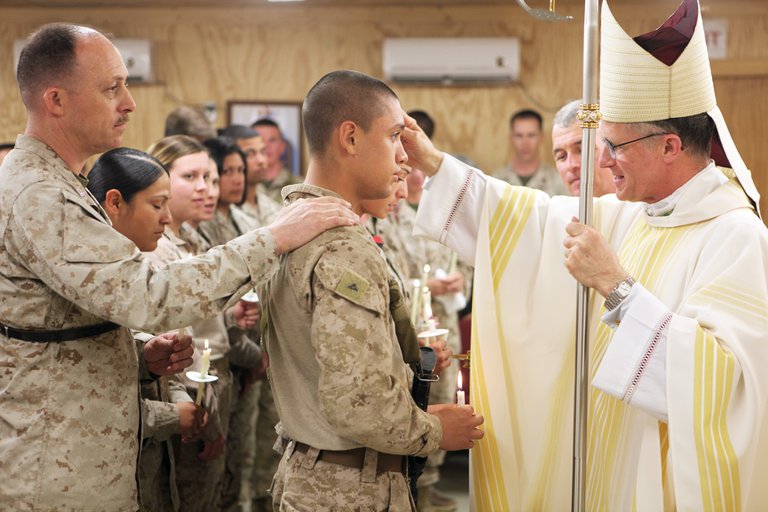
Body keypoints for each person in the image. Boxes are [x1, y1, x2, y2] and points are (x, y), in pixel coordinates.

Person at [402, 1, 768, 510]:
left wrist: (617, 287)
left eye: (615, 145)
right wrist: (437, 164)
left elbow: (729, 389)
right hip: (608, 463)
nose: (603, 161)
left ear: (668, 146)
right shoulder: (635, 213)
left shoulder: (734, 236)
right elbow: (529, 219)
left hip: (664, 483)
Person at [0, 23, 357, 511]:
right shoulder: (39, 194)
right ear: (56, 100)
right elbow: (150, 294)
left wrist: (138, 359)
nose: (129, 102)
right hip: (57, 473)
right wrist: (274, 238)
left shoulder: (58, 182)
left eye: (125, 84)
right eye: (112, 88)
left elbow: (60, 320)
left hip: (82, 453)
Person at [263, 70, 484, 511]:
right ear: (350, 138)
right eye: (395, 137)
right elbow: (356, 404)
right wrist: (437, 432)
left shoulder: (289, 224)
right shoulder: (341, 245)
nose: (405, 157)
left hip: (318, 470)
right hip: (348, 486)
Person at [87, 147, 207, 512]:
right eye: (157, 206)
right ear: (114, 202)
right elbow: (92, 399)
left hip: (148, 463)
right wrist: (174, 416)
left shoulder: (131, 263)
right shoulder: (90, 277)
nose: (168, 218)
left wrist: (152, 360)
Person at [494, 108, 569, 196]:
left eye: (531, 135)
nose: (525, 142)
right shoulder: (497, 182)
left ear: (541, 137)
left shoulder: (557, 182)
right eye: (519, 136)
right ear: (511, 138)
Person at [551, 99, 615, 197]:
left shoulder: (641, 210)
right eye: (562, 156)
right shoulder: (557, 211)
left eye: (582, 151)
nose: (571, 165)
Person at [251, 118, 302, 202]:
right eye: (261, 140)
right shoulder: (241, 187)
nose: (266, 146)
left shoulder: (299, 187)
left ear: (282, 147)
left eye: (272, 140)